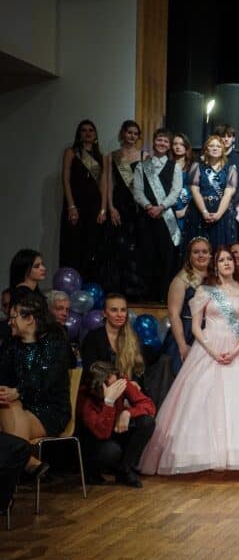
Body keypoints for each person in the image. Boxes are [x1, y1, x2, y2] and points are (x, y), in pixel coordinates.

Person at [139, 246, 239, 475]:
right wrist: (212, 350)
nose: (226, 263)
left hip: (236, 349)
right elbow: (196, 327)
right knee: (200, 400)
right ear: (215, 265)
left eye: (229, 259)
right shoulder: (204, 291)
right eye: (221, 260)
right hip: (208, 348)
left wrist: (236, 349)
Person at [0, 291, 72, 479]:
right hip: (17, 406)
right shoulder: (11, 343)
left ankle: (20, 468)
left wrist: (19, 391)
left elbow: (46, 379)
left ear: (29, 319)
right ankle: (29, 462)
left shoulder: (55, 342)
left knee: (7, 405)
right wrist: (8, 391)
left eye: (13, 317)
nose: (9, 322)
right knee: (6, 402)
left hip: (49, 409)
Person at [76, 360, 155, 487]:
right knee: (111, 451)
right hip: (96, 441)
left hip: (117, 431)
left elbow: (148, 405)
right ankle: (93, 471)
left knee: (147, 422)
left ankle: (125, 469)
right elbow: (102, 433)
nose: (116, 389)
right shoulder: (85, 397)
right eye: (112, 387)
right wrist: (109, 402)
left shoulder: (119, 382)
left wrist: (128, 413)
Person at [134, 128, 185, 301]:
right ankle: (147, 297)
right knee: (147, 256)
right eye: (159, 140)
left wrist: (161, 207)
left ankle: (164, 296)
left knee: (166, 257)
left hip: (166, 219)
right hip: (147, 218)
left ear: (169, 145)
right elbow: (137, 191)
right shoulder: (142, 166)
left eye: (165, 141)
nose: (162, 143)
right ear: (153, 141)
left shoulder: (175, 167)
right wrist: (149, 206)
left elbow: (176, 192)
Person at [101, 120, 146, 298]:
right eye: (129, 132)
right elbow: (109, 183)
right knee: (117, 247)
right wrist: (110, 207)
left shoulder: (144, 156)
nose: (132, 136)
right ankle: (116, 289)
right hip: (119, 204)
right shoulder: (111, 156)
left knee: (136, 248)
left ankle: (134, 290)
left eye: (135, 133)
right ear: (123, 133)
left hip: (137, 205)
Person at [61, 120, 105, 282]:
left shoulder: (100, 157)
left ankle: (88, 282)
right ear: (79, 134)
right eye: (84, 130)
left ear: (95, 134)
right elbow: (65, 180)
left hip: (94, 205)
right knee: (74, 245)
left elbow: (103, 185)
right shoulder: (71, 152)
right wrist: (71, 206)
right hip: (76, 203)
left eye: (91, 130)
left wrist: (103, 209)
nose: (87, 133)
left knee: (91, 245)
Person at [164, 237, 211, 375]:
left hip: (211, 332)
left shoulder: (216, 278)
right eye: (196, 252)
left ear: (210, 255)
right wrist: (182, 345)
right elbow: (174, 315)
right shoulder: (181, 280)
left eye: (204, 251)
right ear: (189, 256)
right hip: (187, 332)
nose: (201, 255)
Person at [80, 293, 149, 386]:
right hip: (103, 390)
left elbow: (138, 368)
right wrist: (108, 378)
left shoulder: (133, 337)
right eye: (114, 310)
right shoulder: (93, 337)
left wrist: (135, 382)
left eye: (123, 310)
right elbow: (90, 370)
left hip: (128, 388)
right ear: (104, 313)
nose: (119, 314)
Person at [189, 135, 239, 247]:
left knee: (220, 247)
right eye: (211, 146)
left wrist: (218, 214)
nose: (215, 148)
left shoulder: (230, 168)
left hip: (222, 212)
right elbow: (194, 190)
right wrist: (204, 212)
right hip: (200, 211)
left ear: (223, 150)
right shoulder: (197, 166)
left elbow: (228, 193)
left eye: (218, 146)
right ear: (206, 149)